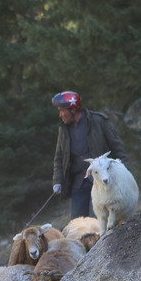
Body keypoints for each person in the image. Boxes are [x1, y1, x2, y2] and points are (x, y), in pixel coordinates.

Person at [51, 91, 128, 219]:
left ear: (73, 109)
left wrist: (123, 171)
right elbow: (59, 158)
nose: (60, 115)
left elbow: (117, 147)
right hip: (78, 183)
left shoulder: (98, 121)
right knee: (77, 222)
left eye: (62, 110)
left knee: (97, 219)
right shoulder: (63, 129)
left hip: (100, 182)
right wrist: (57, 181)